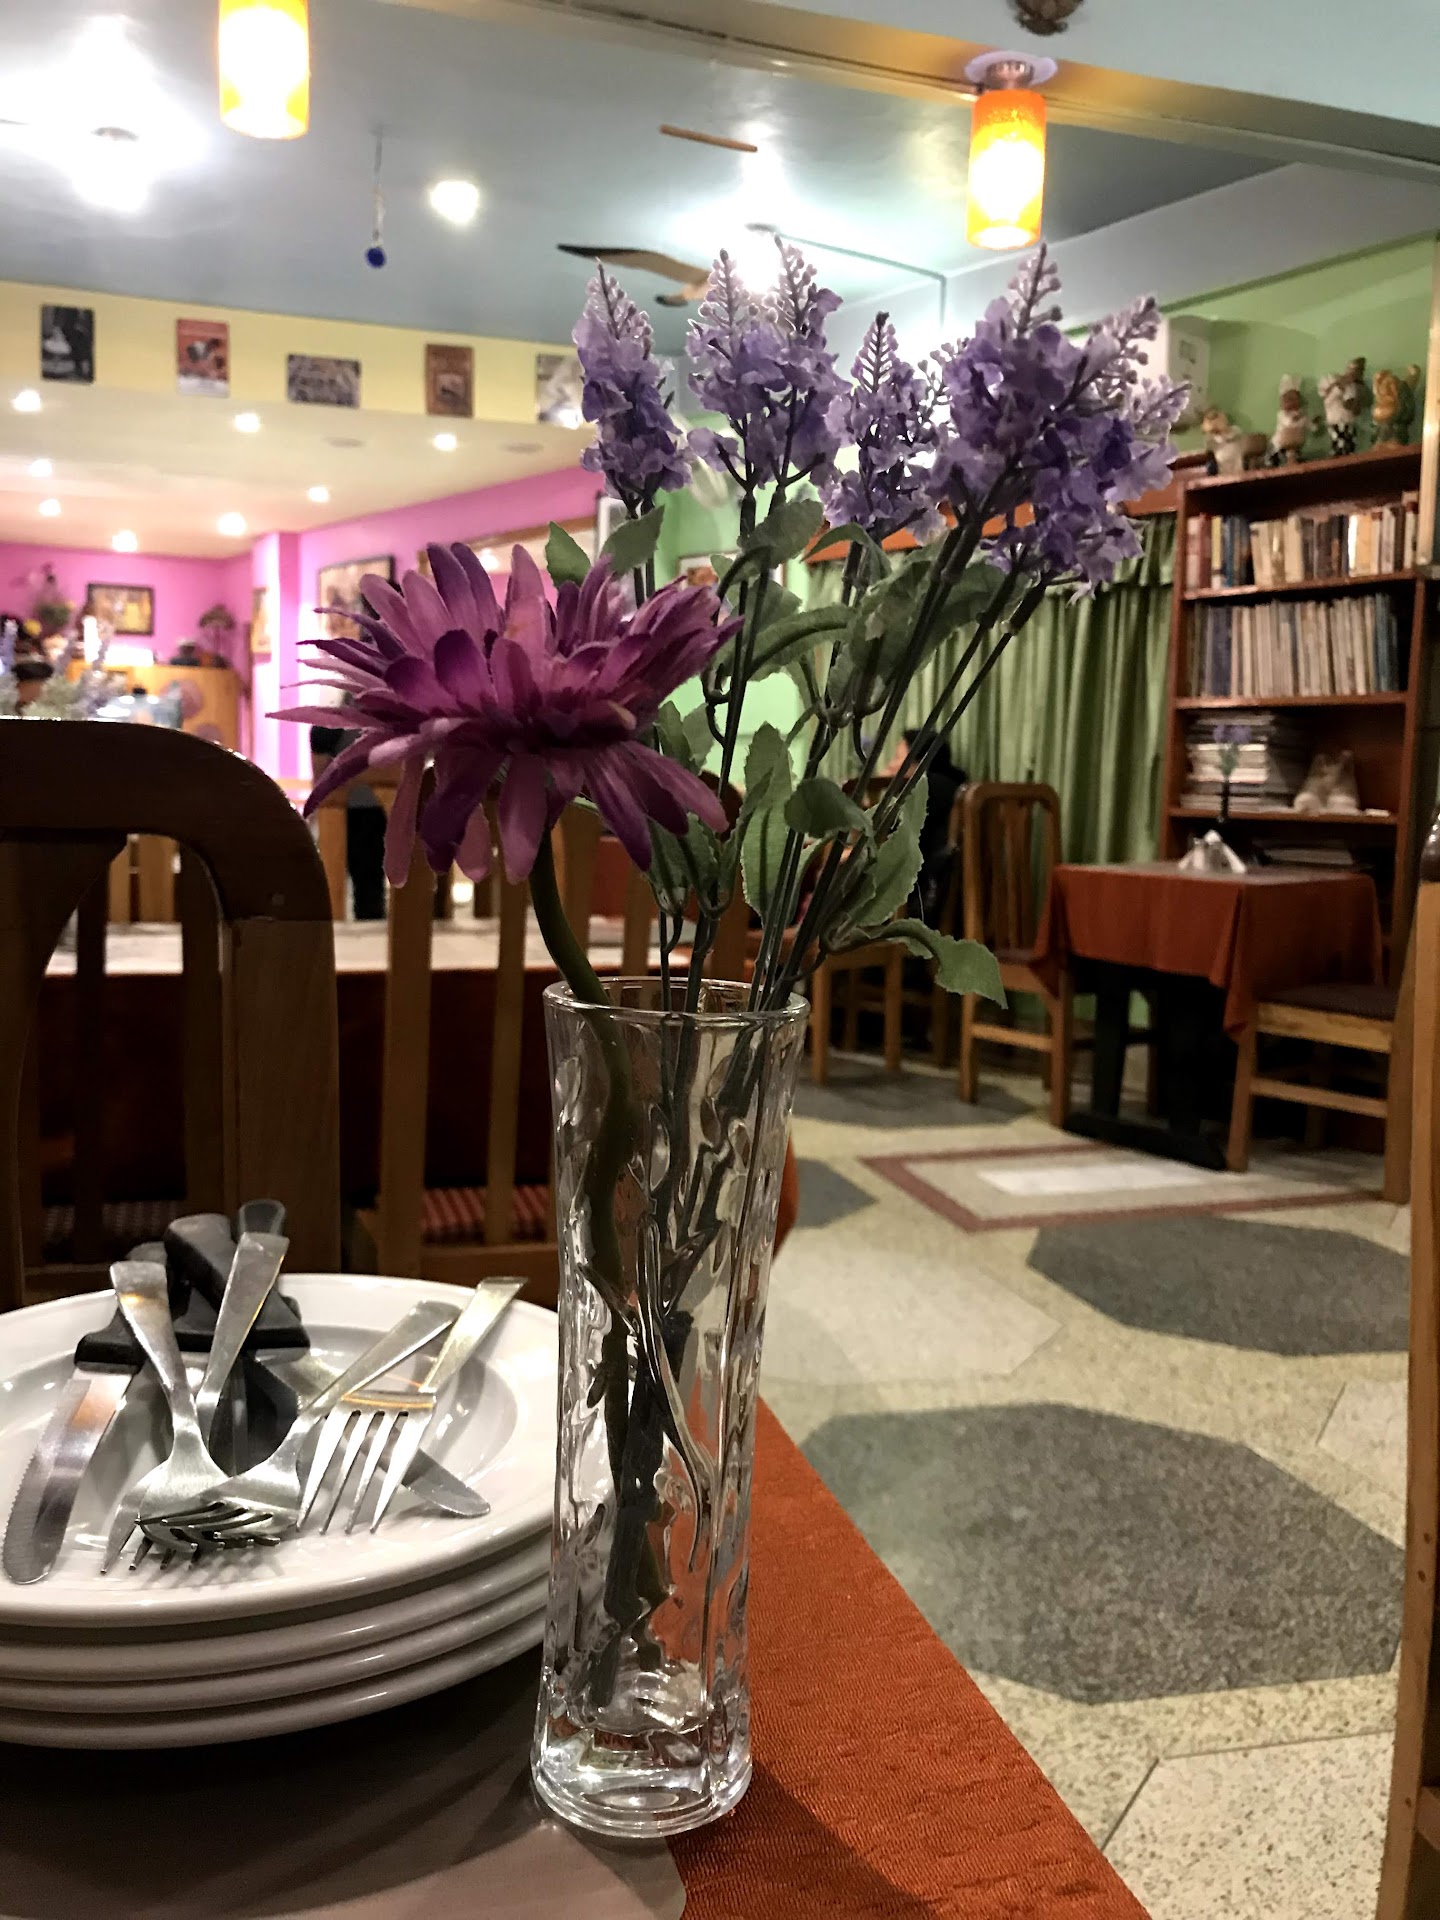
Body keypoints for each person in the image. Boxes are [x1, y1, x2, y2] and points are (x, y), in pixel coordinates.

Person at [309, 718, 387, 920]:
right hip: (362, 806)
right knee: (368, 879)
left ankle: (361, 917)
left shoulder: (329, 726)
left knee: (362, 877)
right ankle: (368, 917)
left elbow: (320, 776)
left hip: (357, 807)